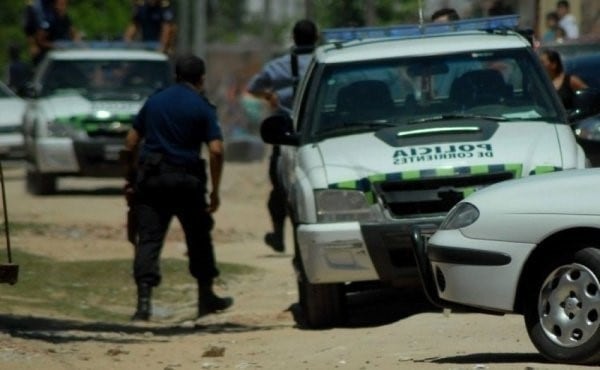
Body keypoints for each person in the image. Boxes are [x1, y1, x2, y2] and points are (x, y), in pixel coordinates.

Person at [122, 54, 233, 321]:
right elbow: (216, 150)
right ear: (201, 79)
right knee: (199, 238)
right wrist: (215, 191)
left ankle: (144, 304)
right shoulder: (202, 106)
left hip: (152, 181)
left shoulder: (155, 101)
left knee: (148, 239)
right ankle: (206, 298)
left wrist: (130, 178)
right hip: (187, 183)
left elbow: (130, 142)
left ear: (176, 76)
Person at [246, 19, 318, 253]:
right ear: (316, 38)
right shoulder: (325, 62)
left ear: (294, 39)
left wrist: (269, 96)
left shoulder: (277, 66)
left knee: (280, 188)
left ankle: (279, 235)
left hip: (286, 135)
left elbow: (253, 87)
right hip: (320, 135)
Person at [34, 0, 79, 64]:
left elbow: (73, 32)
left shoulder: (65, 18)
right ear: (55, 5)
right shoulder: (50, 20)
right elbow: (39, 40)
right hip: (48, 58)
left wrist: (77, 41)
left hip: (63, 55)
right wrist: (54, 45)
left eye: (65, 4)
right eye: (61, 4)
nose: (63, 7)